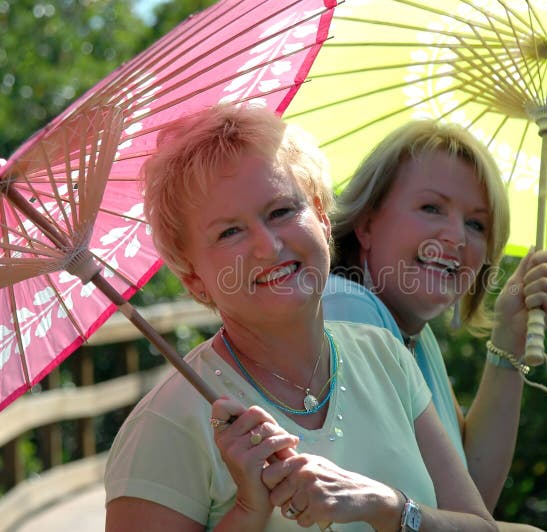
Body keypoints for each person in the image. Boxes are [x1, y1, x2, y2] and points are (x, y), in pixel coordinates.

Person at [104, 104, 497, 531]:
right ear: (194, 279)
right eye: (229, 232)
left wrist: (388, 507)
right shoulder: (165, 426)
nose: (268, 245)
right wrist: (248, 513)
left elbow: (481, 527)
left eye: (281, 211)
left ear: (323, 220)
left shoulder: (384, 355)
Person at [322, 120, 547, 513]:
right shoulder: (347, 309)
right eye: (432, 207)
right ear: (367, 224)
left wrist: (509, 336)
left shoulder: (417, 337)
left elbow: (472, 497)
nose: (456, 237)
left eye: (475, 224)